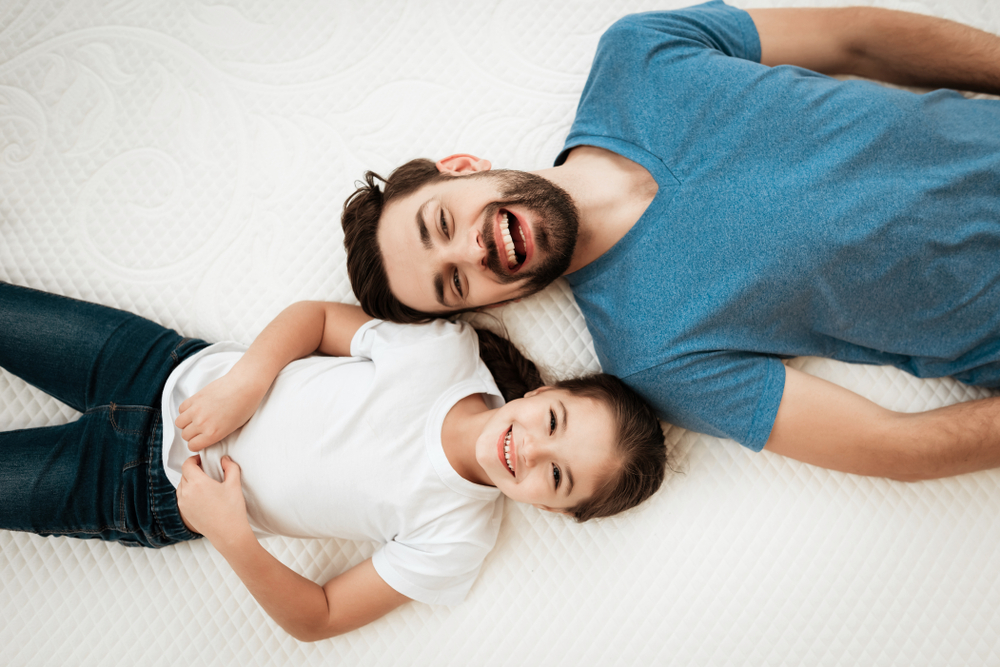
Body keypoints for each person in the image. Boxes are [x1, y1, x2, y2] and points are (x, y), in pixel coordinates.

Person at [340, 1, 1000, 482]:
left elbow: (859, 40)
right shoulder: (650, 357)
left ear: (460, 167)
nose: (469, 252)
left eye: (441, 224)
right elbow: (890, 447)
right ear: (489, 301)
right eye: (454, 282)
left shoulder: (638, 56)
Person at [0, 281, 666, 641]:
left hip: (138, 493)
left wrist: (231, 535)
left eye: (558, 475)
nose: (532, 448)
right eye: (554, 421)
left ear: (555, 509)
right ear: (547, 391)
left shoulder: (455, 537)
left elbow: (317, 617)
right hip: (158, 367)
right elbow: (316, 319)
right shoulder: (443, 351)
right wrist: (247, 380)